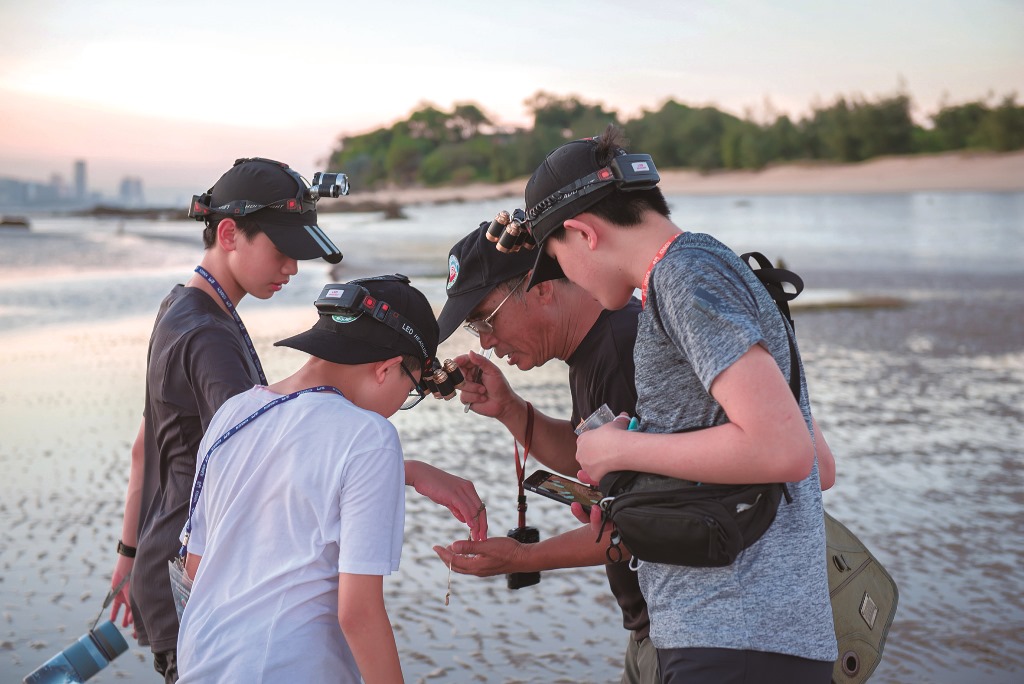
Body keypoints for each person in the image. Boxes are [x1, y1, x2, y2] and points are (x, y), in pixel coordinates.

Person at [106, 159, 486, 682]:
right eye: (282, 251)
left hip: (195, 602)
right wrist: (406, 467)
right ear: (228, 233)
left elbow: (147, 445)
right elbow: (278, 451)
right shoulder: (210, 338)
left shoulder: (187, 313)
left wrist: (129, 552)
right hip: (222, 593)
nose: (291, 268)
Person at [518, 126, 838, 684]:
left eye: (558, 262)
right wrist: (632, 482)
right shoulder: (717, 270)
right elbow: (817, 464)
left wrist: (618, 445)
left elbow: (783, 450)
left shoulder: (682, 277)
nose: (568, 280)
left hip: (729, 634)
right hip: (764, 635)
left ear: (581, 233)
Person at [175, 275, 453, 683]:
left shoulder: (233, 414)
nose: (399, 406)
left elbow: (195, 567)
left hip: (202, 665)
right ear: (389, 367)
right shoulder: (369, 437)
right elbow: (359, 613)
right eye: (412, 390)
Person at [431, 221, 658, 684]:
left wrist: (520, 558)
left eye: (484, 320)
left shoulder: (623, 348)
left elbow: (645, 523)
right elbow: (590, 460)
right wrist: (511, 410)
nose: (484, 343)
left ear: (540, 289)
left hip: (684, 627)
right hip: (649, 628)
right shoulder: (597, 344)